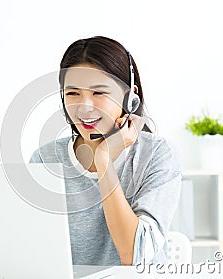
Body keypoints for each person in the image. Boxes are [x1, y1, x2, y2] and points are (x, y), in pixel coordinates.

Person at [29, 36, 181, 266]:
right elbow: (33, 251)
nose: (84, 107)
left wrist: (103, 160)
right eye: (72, 93)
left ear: (130, 97)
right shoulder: (44, 159)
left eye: (99, 93)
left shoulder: (157, 155)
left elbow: (133, 256)